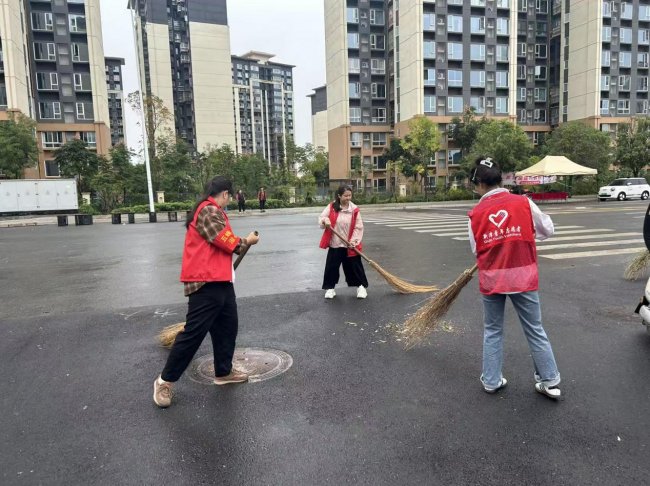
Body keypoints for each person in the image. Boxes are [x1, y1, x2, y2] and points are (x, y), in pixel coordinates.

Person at [153, 176, 260, 408]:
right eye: (229, 196)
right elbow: (226, 240)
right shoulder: (208, 210)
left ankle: (223, 372)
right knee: (193, 335)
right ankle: (164, 381)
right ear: (225, 194)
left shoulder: (213, 211)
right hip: (205, 282)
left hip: (221, 280)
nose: (229, 200)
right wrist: (247, 241)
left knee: (227, 328)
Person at [467, 156, 561, 400]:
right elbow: (547, 230)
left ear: (479, 184)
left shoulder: (476, 213)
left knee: (492, 330)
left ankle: (491, 381)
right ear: (499, 179)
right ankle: (550, 380)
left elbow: (476, 250)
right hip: (522, 277)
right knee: (534, 328)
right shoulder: (523, 203)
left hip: (492, 279)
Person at [318, 185, 368, 299]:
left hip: (349, 244)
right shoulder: (332, 207)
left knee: (355, 267)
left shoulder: (354, 209)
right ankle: (330, 289)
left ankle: (361, 287)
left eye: (350, 195)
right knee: (332, 267)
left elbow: (358, 227)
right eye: (346, 196)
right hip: (335, 243)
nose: (348, 198)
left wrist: (354, 241)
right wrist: (325, 221)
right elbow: (321, 218)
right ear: (339, 196)